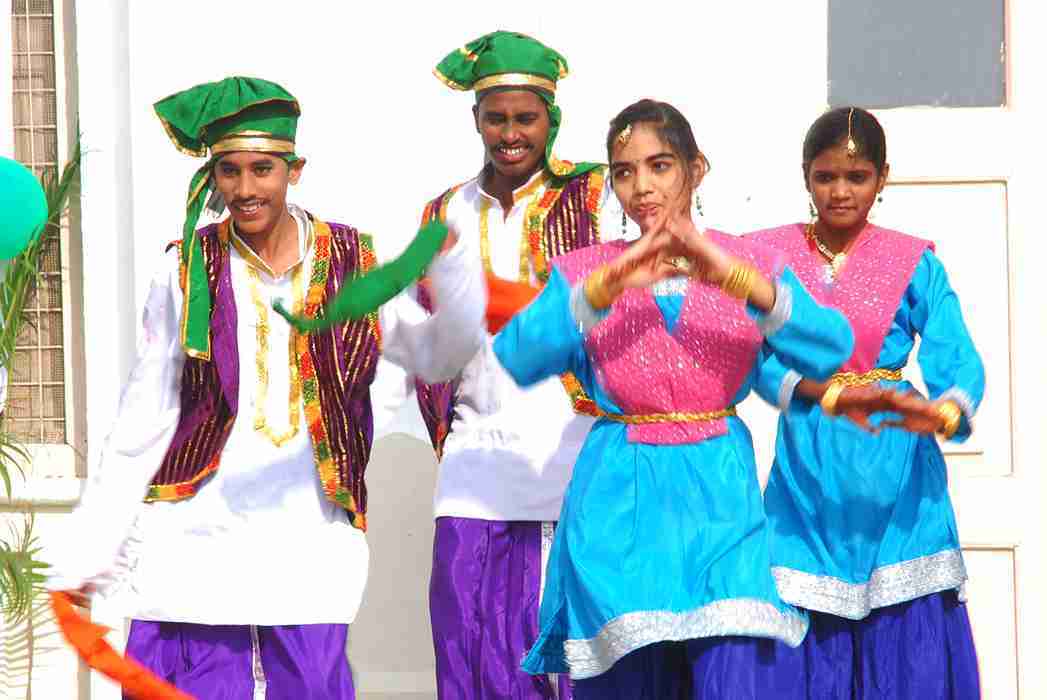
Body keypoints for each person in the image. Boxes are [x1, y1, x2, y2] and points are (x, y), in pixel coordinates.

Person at [45, 76, 486, 699]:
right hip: (194, 539)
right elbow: (146, 409)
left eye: (262, 169)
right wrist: (97, 534)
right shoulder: (185, 268)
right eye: (229, 171)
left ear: (294, 170)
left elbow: (431, 355)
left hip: (307, 540)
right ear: (213, 177)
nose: (246, 189)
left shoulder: (353, 261)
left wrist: (462, 297)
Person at [492, 98, 855, 698]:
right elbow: (518, 355)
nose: (642, 187)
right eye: (624, 172)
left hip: (721, 502)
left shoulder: (750, 264)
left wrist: (735, 278)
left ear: (696, 168)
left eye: (659, 166)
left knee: (734, 677)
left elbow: (831, 347)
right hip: (617, 509)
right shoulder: (587, 271)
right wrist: (605, 288)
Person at [748, 106, 984, 699]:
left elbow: (955, 351)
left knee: (905, 637)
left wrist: (945, 410)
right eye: (826, 177)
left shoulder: (915, 261)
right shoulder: (768, 258)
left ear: (883, 178)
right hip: (810, 458)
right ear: (805, 176)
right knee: (801, 613)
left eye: (857, 177)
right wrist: (816, 390)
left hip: (895, 454)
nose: (840, 191)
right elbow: (754, 355)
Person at [417, 31, 625, 699]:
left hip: (566, 456)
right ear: (476, 118)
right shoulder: (444, 211)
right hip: (473, 461)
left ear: (550, 118)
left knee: (557, 657)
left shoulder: (594, 197)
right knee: (463, 640)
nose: (510, 134)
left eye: (526, 118)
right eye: (496, 117)